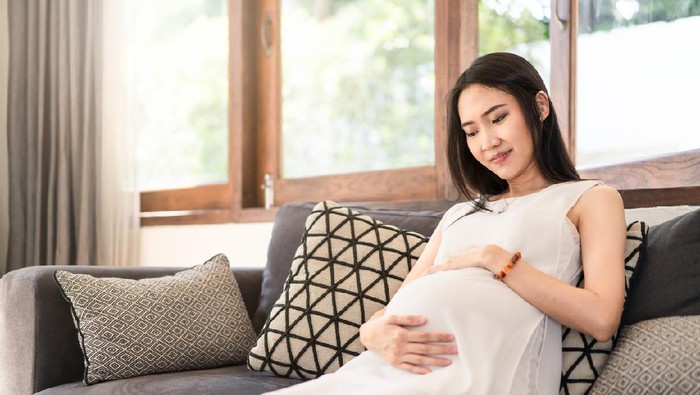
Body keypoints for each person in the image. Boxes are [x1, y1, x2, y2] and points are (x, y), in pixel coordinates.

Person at [265, 52, 627, 395]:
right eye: (471, 132)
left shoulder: (591, 199)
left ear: (540, 106)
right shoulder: (460, 214)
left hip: (477, 376)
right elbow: (396, 306)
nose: (488, 142)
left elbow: (601, 317)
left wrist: (496, 260)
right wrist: (371, 331)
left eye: (498, 118)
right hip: (384, 370)